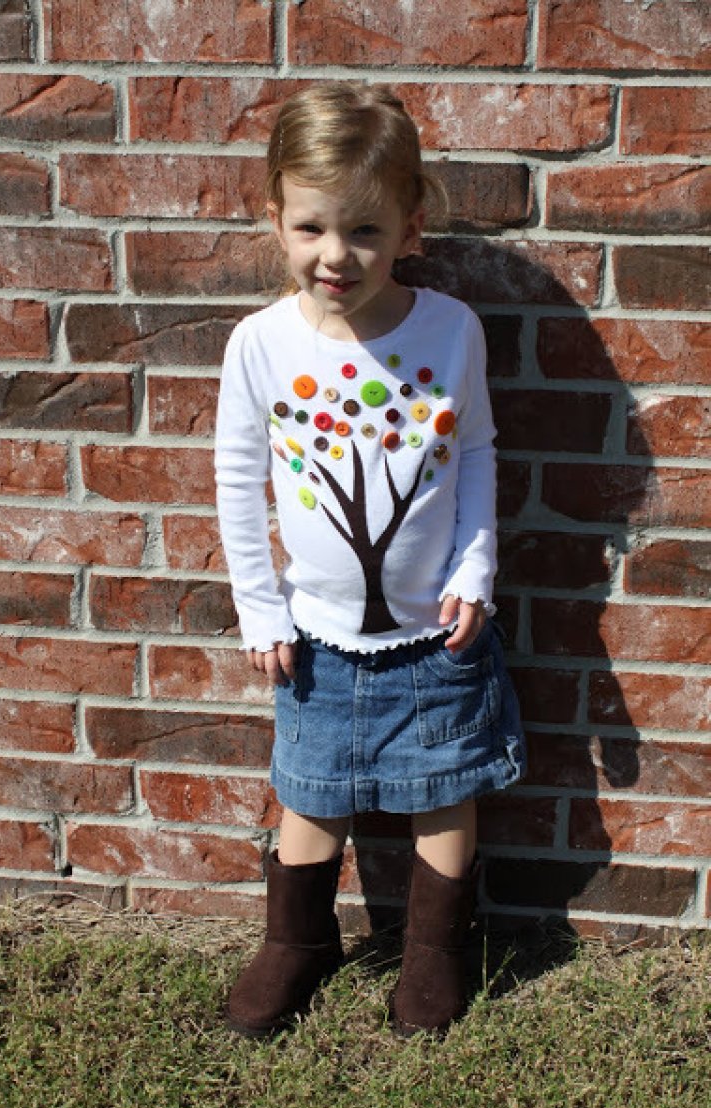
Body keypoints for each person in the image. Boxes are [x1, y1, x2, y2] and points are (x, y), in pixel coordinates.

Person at [214, 82, 526, 1039]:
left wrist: (474, 570)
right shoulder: (260, 345)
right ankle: (297, 941)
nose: (334, 255)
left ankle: (435, 951)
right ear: (275, 218)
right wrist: (260, 608)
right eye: (310, 227)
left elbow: (476, 450)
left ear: (410, 227)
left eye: (364, 231)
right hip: (314, 642)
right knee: (310, 795)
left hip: (437, 639)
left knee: (445, 791)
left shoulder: (449, 330)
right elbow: (237, 482)